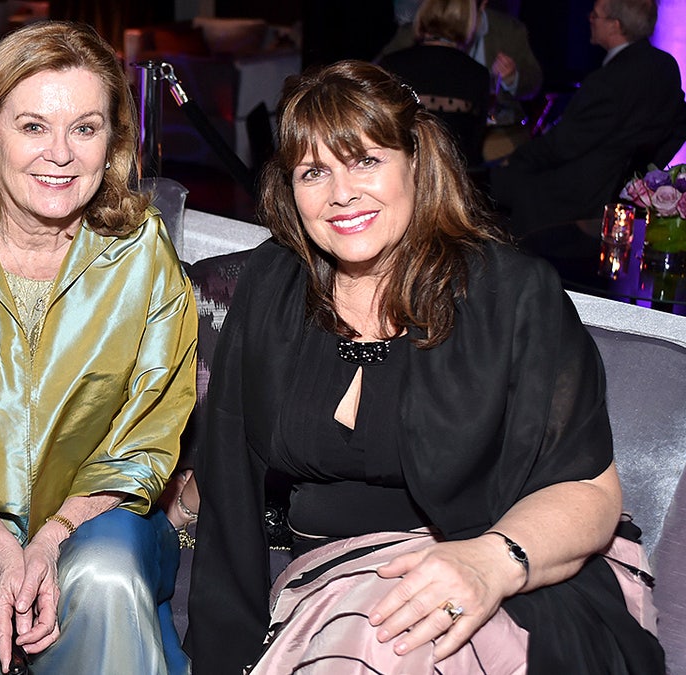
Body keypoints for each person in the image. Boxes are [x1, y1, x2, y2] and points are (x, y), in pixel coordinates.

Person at [184, 60, 664, 673]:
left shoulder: (510, 294)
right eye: (314, 172)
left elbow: (591, 494)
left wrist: (489, 562)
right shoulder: (272, 285)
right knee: (379, 638)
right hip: (339, 585)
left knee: (395, 642)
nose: (341, 193)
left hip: (510, 565)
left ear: (416, 161)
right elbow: (228, 467)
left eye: (366, 161)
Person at [0, 20, 198, 675]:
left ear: (112, 143)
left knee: (105, 573)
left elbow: (149, 426)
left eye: (85, 128)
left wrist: (54, 535)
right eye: (33, 126)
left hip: (102, 512)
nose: (60, 154)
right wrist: (2, 544)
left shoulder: (141, 252)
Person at [490, 0, 686, 237]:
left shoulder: (608, 81)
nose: (589, 18)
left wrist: (513, 159)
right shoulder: (666, 66)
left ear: (615, 25)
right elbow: (677, 127)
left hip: (578, 200)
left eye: (595, 14)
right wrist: (643, 174)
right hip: (620, 192)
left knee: (487, 184)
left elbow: (562, 146)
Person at [379, 0, 542, 127]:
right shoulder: (409, 34)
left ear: (482, 4)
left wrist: (512, 78)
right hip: (419, 129)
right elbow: (375, 76)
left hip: (499, 129)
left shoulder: (509, 31)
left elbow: (534, 84)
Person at [379, 0, 492, 167]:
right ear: (468, 20)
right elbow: (474, 144)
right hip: (456, 174)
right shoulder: (478, 73)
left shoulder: (391, 64)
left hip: (405, 172)